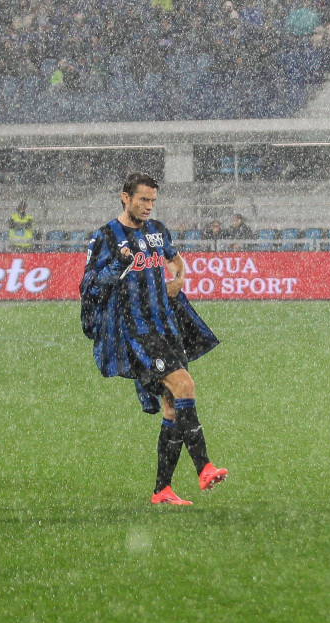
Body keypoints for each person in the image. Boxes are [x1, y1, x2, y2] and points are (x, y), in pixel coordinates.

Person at [80, 173, 228, 506]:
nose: (148, 206)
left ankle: (162, 489)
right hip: (136, 332)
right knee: (185, 386)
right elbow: (89, 286)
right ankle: (204, 466)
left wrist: (179, 276)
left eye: (152, 201)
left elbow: (176, 260)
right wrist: (118, 264)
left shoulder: (157, 231)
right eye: (143, 200)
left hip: (166, 326)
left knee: (173, 405)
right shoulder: (105, 237)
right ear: (125, 197)